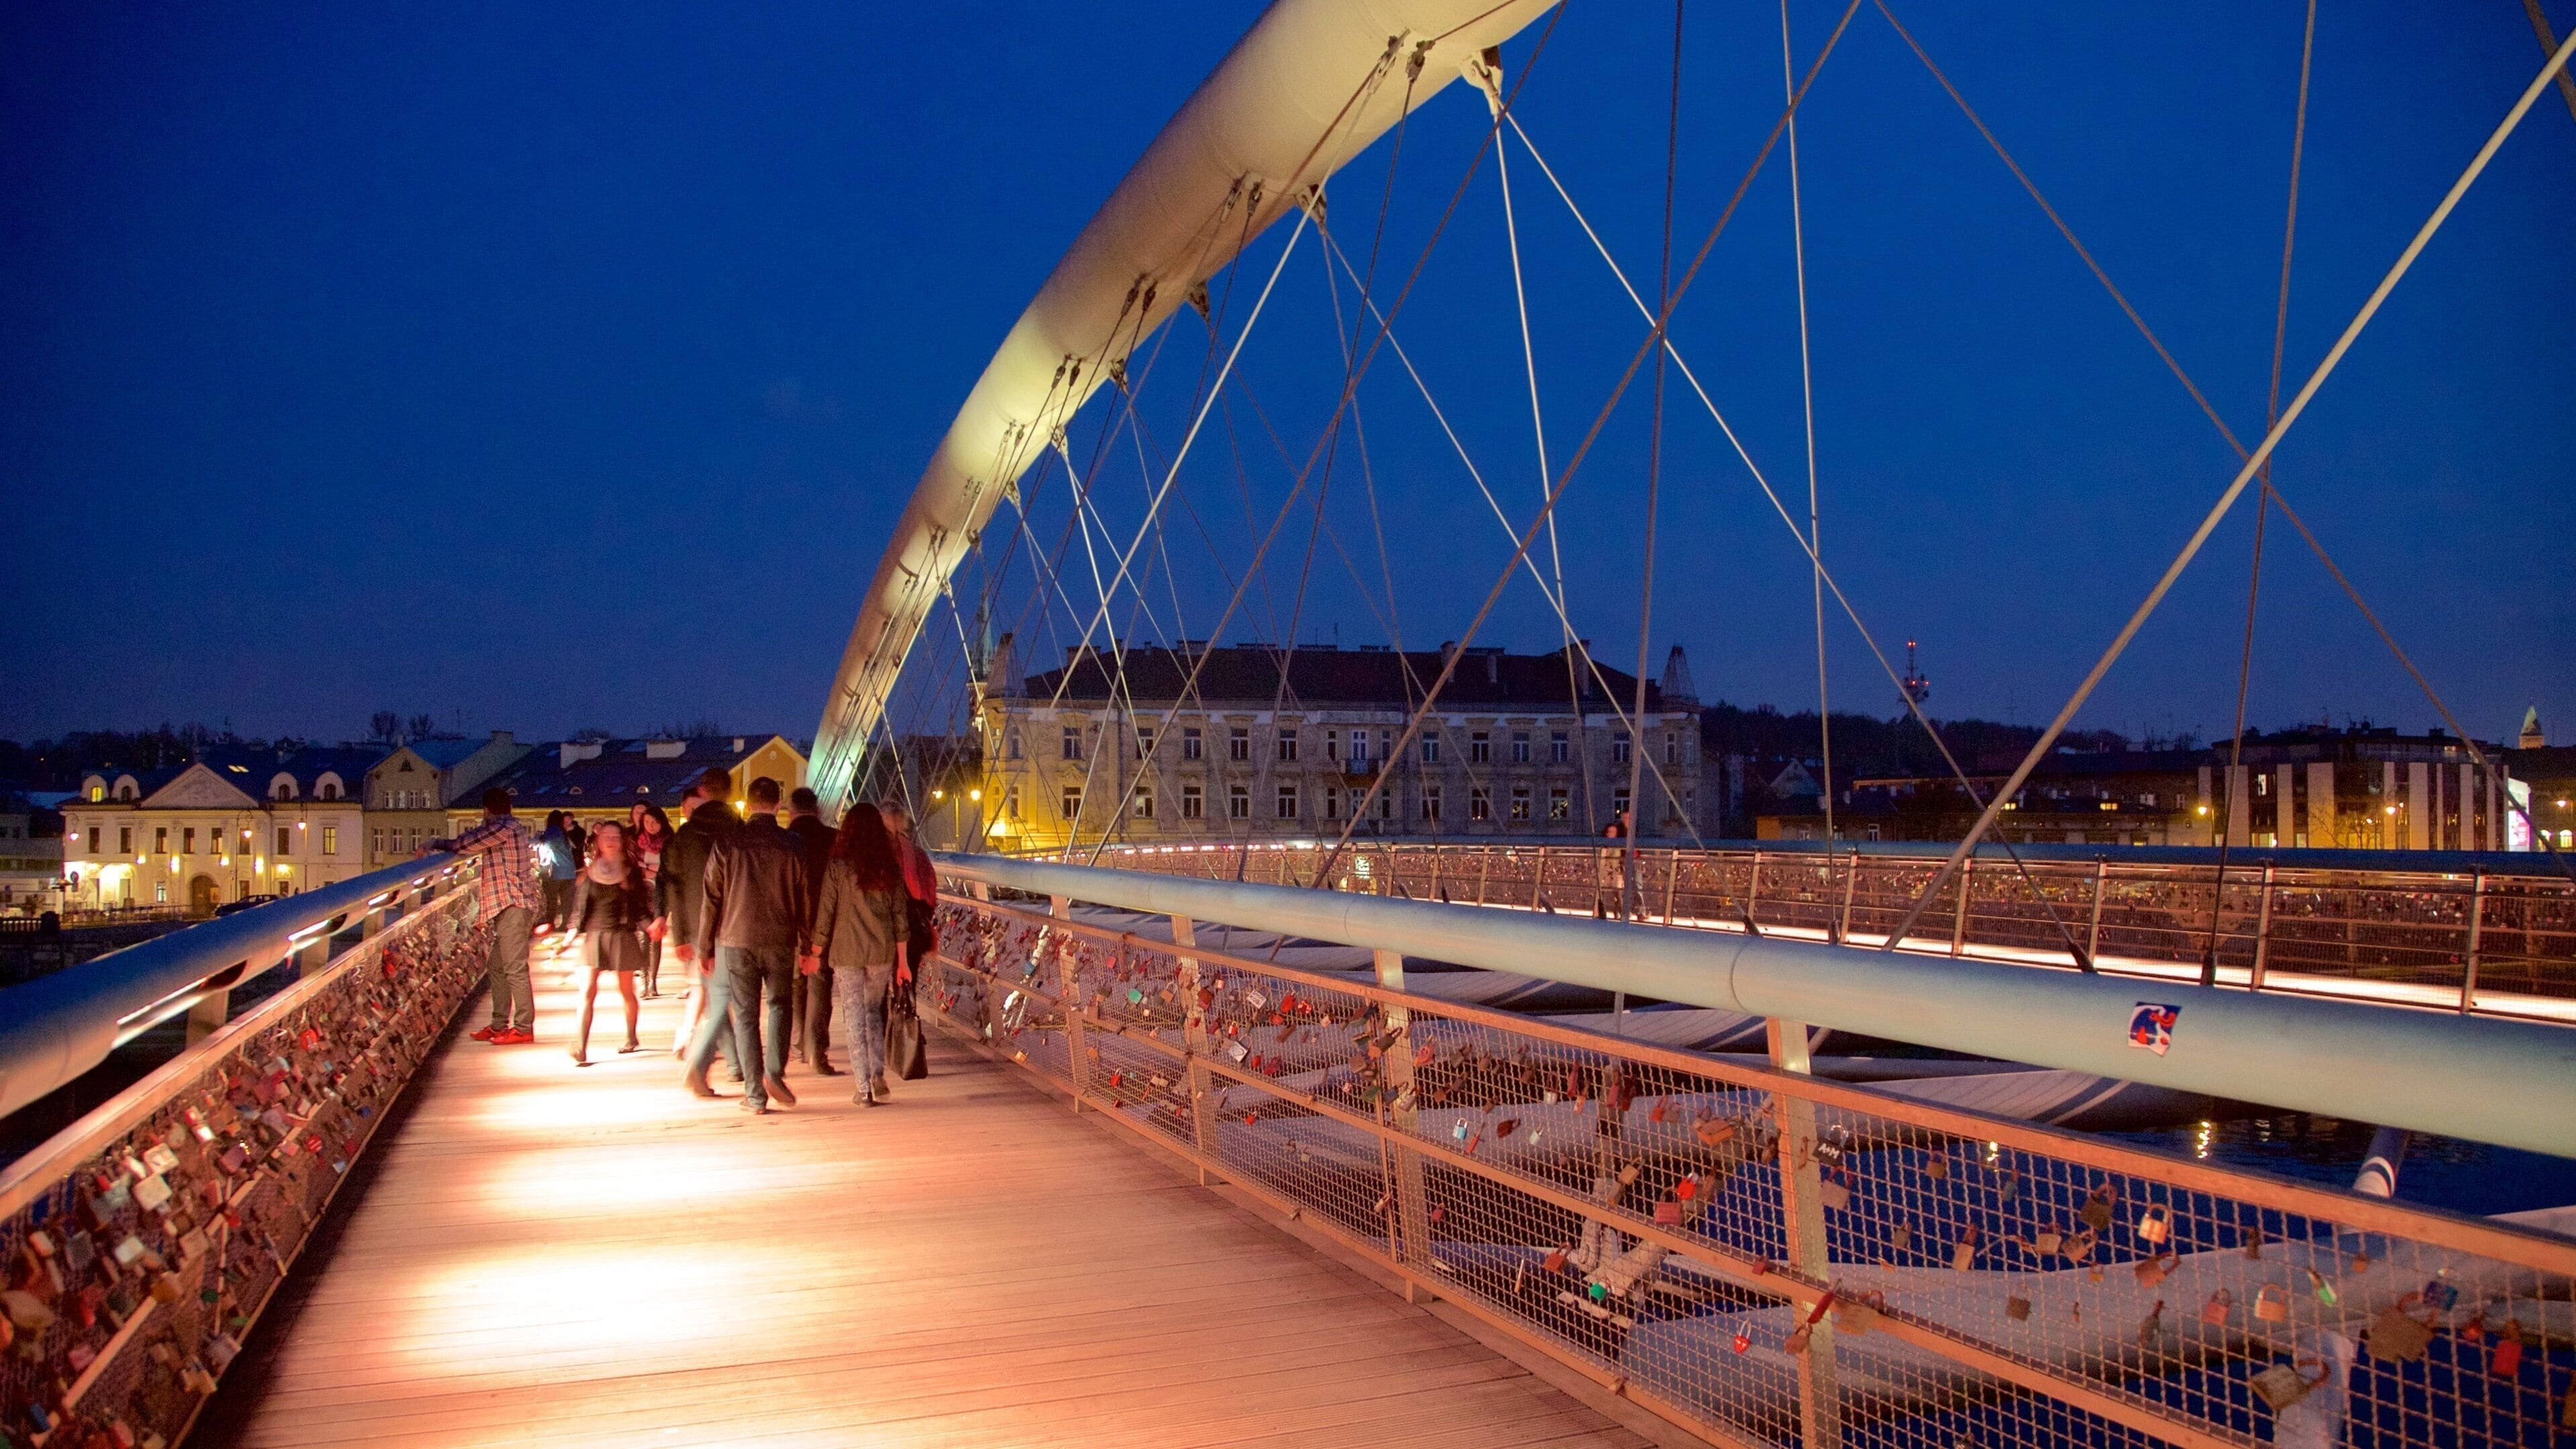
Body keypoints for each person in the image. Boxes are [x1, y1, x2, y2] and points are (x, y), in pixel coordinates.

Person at [693, 775, 813, 1114]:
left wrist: (705, 948)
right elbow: (806, 900)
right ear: (779, 804)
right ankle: (775, 1073)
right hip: (780, 938)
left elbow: (711, 898)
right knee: (780, 1006)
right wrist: (809, 946)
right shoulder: (794, 845)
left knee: (746, 1015)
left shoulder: (728, 843)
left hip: (736, 939)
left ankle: (755, 1095)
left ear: (747, 802)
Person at [806, 804, 910, 1106]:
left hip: (847, 950)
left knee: (853, 1018)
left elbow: (825, 913)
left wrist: (815, 951)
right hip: (881, 951)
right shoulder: (888, 866)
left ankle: (863, 1087)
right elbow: (900, 917)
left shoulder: (838, 867)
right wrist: (903, 962)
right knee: (873, 1013)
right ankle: (878, 1073)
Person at [424, 786, 542, 1044]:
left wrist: (435, 843)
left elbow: (466, 843)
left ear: (487, 810)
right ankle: (499, 1025)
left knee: (514, 968)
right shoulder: (510, 826)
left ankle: (523, 1028)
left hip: (514, 905)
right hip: (508, 907)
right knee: (497, 966)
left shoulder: (503, 828)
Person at [665, 769, 739, 1079]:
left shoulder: (685, 836)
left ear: (703, 790)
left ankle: (729, 1064)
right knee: (724, 996)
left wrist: (679, 933)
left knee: (717, 994)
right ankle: (720, 1063)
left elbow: (673, 884)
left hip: (696, 926)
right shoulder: (739, 831)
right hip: (734, 923)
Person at [564, 820, 647, 1065]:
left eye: (616, 836)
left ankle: (631, 1037)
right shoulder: (589, 874)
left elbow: (641, 910)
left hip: (623, 934)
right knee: (587, 990)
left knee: (626, 991)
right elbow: (579, 912)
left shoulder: (631, 873)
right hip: (595, 935)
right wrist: (569, 937)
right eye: (606, 836)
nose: (611, 840)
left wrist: (650, 925)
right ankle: (580, 1046)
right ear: (598, 841)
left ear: (622, 841)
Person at [783, 786, 839, 1075]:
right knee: (821, 983)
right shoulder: (833, 839)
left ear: (791, 812)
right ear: (817, 810)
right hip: (825, 924)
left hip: (789, 925)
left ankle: (797, 1044)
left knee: (795, 984)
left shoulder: (784, 842)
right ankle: (818, 1051)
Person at [878, 799, 939, 968]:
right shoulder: (917, 854)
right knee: (907, 980)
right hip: (912, 928)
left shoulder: (874, 854)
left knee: (877, 982)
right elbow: (929, 890)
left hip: (880, 930)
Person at [630, 803, 674, 998]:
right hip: (641, 892)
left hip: (661, 893)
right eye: (647, 822)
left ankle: (653, 982)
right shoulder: (637, 841)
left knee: (655, 937)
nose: (651, 825)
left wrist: (649, 868)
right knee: (643, 937)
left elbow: (669, 868)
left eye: (654, 822)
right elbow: (634, 866)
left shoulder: (670, 841)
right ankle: (643, 980)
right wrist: (650, 869)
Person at [537, 811, 580, 932]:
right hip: (569, 872)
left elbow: (551, 844)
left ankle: (550, 924)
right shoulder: (563, 832)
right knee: (567, 901)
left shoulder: (552, 830)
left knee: (552, 900)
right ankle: (564, 925)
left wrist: (540, 839)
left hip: (556, 872)